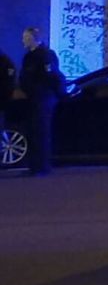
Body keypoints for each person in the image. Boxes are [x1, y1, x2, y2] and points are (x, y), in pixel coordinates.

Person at [18, 27, 65, 176]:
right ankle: (34, 166)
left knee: (42, 132)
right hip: (33, 98)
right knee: (33, 132)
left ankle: (42, 166)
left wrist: (51, 94)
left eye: (26, 37)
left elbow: (52, 77)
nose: (23, 40)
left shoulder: (45, 55)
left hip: (43, 98)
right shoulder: (29, 56)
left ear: (34, 38)